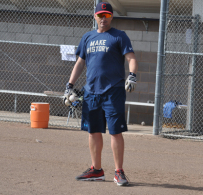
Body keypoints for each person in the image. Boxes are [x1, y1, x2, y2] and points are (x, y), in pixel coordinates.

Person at [64, 2, 138, 186]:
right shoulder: (87, 37)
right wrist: (70, 85)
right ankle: (96, 170)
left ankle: (118, 171)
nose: (103, 18)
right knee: (93, 131)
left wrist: (132, 75)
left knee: (115, 131)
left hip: (113, 91)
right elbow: (80, 63)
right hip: (91, 93)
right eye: (100, 15)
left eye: (106, 15)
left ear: (111, 16)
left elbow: (131, 58)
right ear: (95, 16)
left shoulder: (119, 36)